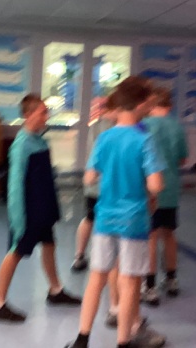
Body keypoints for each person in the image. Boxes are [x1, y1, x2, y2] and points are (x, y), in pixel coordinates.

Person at [64, 76, 164, 348]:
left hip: (105, 218)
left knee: (96, 278)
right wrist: (149, 188)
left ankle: (82, 338)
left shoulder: (105, 137)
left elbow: (89, 177)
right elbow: (156, 184)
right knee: (129, 282)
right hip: (134, 220)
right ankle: (123, 340)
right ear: (140, 104)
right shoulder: (144, 140)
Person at [0, 93, 81, 323]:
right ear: (28, 115)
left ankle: (55, 290)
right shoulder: (21, 146)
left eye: (46, 112)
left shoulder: (40, 141)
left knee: (49, 245)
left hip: (43, 208)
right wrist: (18, 218)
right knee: (16, 252)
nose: (46, 116)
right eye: (42, 112)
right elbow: (15, 186)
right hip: (28, 211)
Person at [141, 87, 188, 306]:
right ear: (170, 105)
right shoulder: (177, 127)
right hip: (171, 189)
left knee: (151, 236)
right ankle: (171, 278)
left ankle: (149, 285)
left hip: (150, 190)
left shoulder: (144, 126)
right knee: (169, 234)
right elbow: (182, 159)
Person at [71, 93, 118, 272]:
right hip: (106, 185)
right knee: (107, 223)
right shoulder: (113, 128)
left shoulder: (95, 126)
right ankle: (107, 260)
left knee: (89, 218)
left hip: (93, 185)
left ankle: (79, 255)